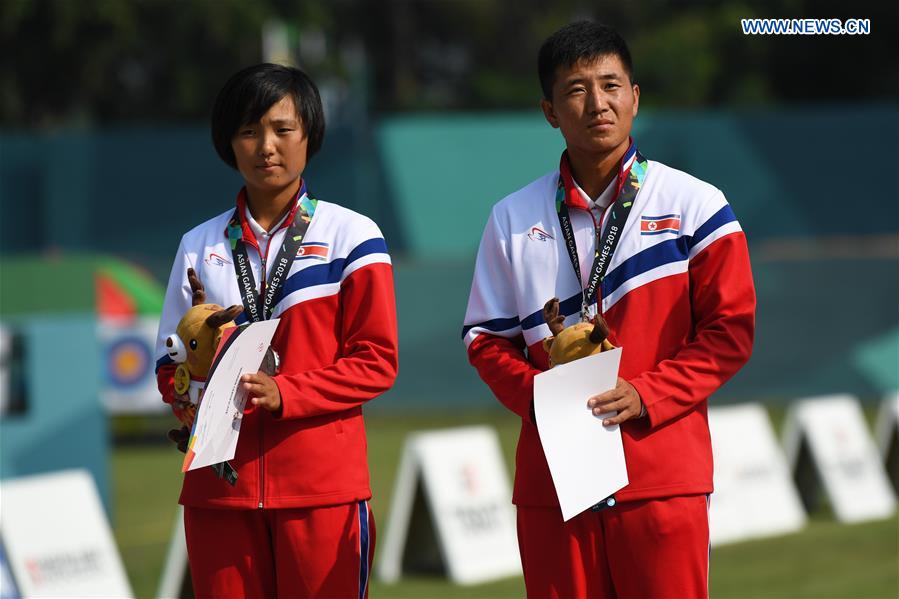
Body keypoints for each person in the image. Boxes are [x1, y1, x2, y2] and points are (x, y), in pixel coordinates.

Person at [462, 21, 755, 599]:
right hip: (554, 485)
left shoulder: (696, 205)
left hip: (661, 476)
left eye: (611, 84)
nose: (597, 103)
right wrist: (540, 399)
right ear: (549, 110)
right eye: (576, 90)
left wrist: (650, 394)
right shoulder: (512, 218)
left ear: (635, 97)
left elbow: (730, 332)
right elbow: (484, 339)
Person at [155, 63, 398, 599]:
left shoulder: (353, 237)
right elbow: (168, 364)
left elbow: (377, 361)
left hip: (322, 492)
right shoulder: (198, 246)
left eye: (282, 129)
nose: (266, 145)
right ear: (229, 143)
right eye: (248, 131)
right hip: (219, 493)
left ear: (309, 134)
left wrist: (286, 392)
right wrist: (189, 392)